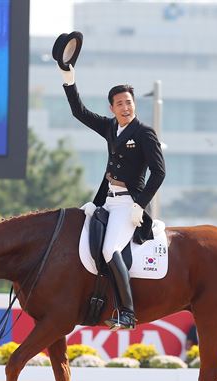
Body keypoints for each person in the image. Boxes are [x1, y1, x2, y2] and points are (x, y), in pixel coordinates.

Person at [59, 64, 166, 330]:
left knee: (110, 249)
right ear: (112, 108)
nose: (126, 107)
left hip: (129, 204)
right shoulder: (110, 128)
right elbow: (79, 112)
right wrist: (69, 80)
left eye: (129, 102)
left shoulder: (144, 133)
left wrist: (140, 205)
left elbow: (159, 173)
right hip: (107, 200)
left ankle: (127, 312)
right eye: (120, 104)